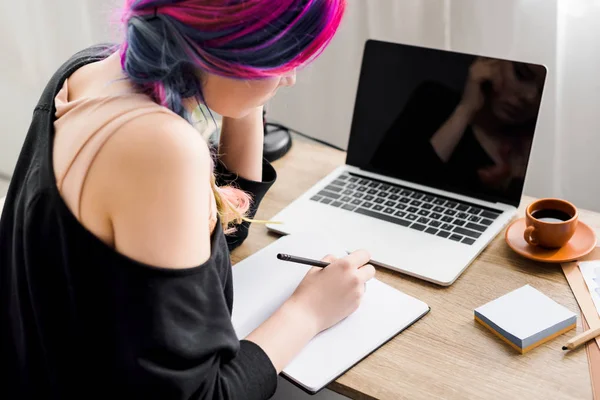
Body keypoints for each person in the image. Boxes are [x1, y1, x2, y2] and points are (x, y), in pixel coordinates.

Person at [0, 1, 376, 398]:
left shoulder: (91, 69)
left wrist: (248, 92)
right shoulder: (159, 147)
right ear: (239, 44)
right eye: (286, 57)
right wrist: (309, 311)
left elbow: (220, 230)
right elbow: (202, 394)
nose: (291, 78)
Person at [371, 57, 546, 200]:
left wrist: (514, 183)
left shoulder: (532, 150)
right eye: (522, 73)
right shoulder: (433, 101)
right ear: (490, 62)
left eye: (542, 89)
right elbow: (382, 187)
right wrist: (465, 110)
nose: (530, 97)